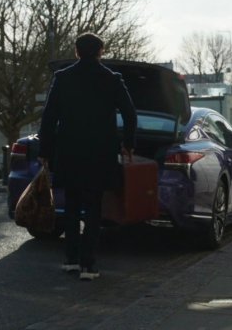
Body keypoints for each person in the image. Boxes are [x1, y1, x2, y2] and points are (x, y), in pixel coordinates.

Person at [38, 33, 137, 281]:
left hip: (70, 150)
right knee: (93, 208)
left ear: (76, 51)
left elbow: (49, 118)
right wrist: (128, 144)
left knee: (71, 206)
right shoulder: (112, 79)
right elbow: (130, 114)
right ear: (100, 51)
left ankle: (71, 259)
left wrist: (45, 152)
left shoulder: (62, 78)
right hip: (100, 152)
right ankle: (88, 265)